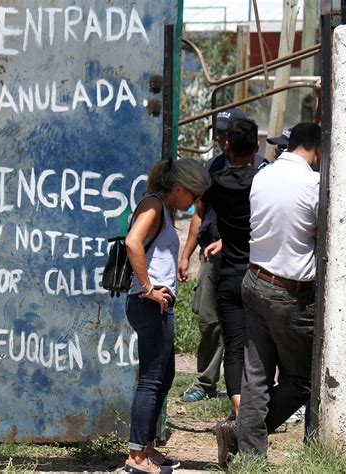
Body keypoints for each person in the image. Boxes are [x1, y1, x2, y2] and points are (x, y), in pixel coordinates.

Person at [216, 122, 322, 467]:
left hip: (254, 280)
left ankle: (249, 453)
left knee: (256, 374)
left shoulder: (263, 175)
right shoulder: (313, 185)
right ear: (318, 150)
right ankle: (240, 435)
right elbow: (322, 234)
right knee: (304, 378)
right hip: (289, 294)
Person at [124, 158, 210, 473]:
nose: (194, 203)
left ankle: (147, 447)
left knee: (164, 376)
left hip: (157, 302)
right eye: (194, 195)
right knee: (150, 379)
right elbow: (133, 242)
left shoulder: (162, 206)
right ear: (178, 189)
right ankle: (136, 456)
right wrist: (148, 287)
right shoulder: (153, 205)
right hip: (149, 303)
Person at [178, 108, 246, 403]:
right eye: (218, 134)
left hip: (242, 257)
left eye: (225, 134)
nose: (220, 140)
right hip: (210, 255)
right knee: (208, 319)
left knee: (245, 325)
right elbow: (199, 214)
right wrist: (186, 255)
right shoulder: (212, 168)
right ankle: (206, 382)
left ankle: (245, 388)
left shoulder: (257, 168)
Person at [201, 119, 259, 425]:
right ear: (257, 147)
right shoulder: (263, 182)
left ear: (226, 146)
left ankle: (238, 411)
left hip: (231, 275)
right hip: (261, 276)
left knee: (234, 347)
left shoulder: (217, 183)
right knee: (261, 349)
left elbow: (200, 211)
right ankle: (257, 411)